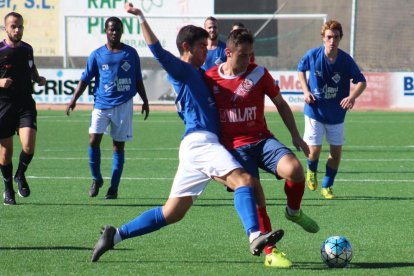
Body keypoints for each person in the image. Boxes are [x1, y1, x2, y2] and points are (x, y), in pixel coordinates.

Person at [89, 2, 285, 263]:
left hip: (195, 147)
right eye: (202, 47)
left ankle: (116, 235)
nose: (207, 50)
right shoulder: (183, 70)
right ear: (187, 48)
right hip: (202, 142)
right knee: (245, 181)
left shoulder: (198, 74)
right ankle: (254, 236)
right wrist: (141, 17)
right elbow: (157, 51)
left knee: (172, 212)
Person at [204, 29, 320, 268]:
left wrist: (296, 136)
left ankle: (293, 211)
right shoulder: (210, 79)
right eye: (243, 55)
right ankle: (270, 252)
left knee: (296, 170)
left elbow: (280, 104)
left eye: (250, 54)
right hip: (236, 148)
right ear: (228, 52)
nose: (248, 60)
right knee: (257, 194)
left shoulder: (258, 74)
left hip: (262, 140)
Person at [66, 17, 149, 200]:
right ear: (106, 31)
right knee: (93, 139)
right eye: (111, 29)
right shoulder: (97, 55)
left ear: (121, 31)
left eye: (118, 29)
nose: (114, 32)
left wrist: (145, 100)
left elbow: (137, 79)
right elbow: (85, 79)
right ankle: (97, 179)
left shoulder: (131, 53)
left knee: (117, 147)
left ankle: (114, 188)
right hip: (101, 104)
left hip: (124, 104)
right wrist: (73, 99)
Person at [297, 20, 366, 199]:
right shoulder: (313, 55)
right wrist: (305, 91)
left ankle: (327, 187)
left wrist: (352, 97)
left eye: (336, 37)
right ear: (323, 38)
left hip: (336, 114)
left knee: (335, 153)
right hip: (315, 110)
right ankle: (311, 170)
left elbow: (362, 81)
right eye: (329, 37)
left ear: (340, 38)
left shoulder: (345, 60)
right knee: (314, 151)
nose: (332, 40)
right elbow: (300, 69)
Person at [0, 12, 46, 205]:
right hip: (3, 105)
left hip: (25, 103)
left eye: (20, 26)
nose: (17, 30)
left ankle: (20, 175)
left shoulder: (27, 49)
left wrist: (38, 78)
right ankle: (8, 188)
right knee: (5, 154)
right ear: (5, 28)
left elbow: (31, 69)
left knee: (28, 145)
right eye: (13, 26)